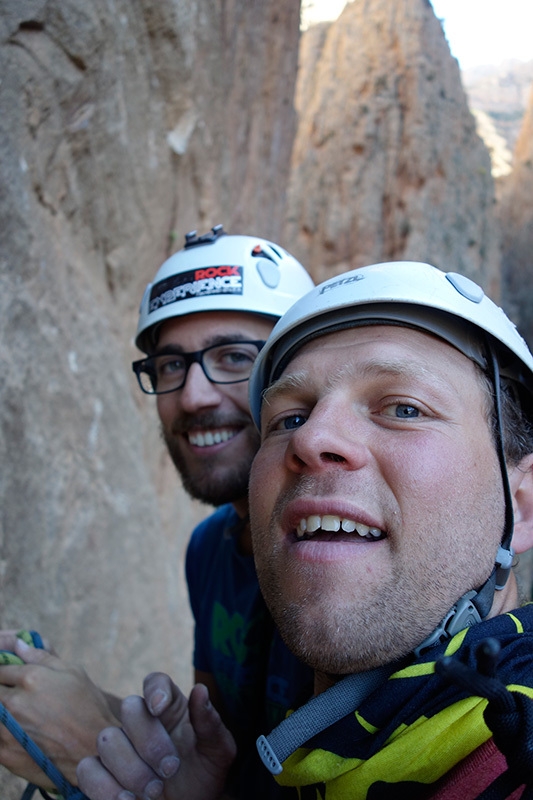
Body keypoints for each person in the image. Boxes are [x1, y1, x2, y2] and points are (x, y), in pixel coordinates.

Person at [77, 260, 533, 800]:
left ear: (521, 505)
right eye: (288, 419)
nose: (312, 437)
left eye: (405, 408)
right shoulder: (314, 756)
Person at [0, 225, 314, 798]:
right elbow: (224, 755)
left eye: (234, 357)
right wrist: (101, 711)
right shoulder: (211, 549)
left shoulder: (345, 561)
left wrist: (91, 743)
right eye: (171, 365)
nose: (193, 395)